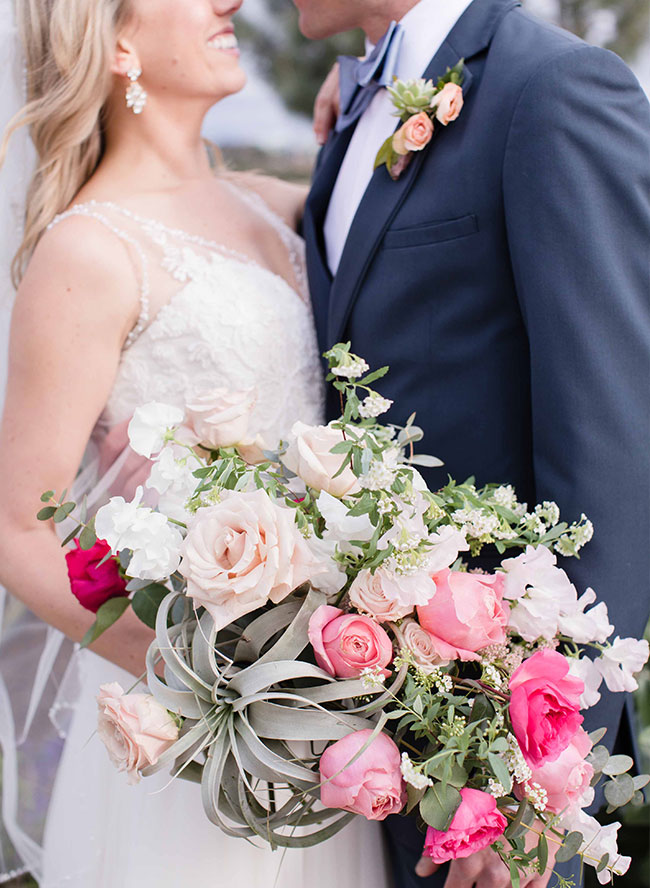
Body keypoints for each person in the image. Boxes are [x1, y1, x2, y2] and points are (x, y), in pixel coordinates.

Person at [0, 0, 389, 885]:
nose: (232, 3)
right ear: (118, 43)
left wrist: (371, 99)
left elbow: (395, 200)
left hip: (327, 718)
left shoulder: (263, 200)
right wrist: (214, 684)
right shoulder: (90, 251)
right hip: (203, 733)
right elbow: (16, 529)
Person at [296, 0, 650, 886]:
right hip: (378, 731)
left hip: (507, 777)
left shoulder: (555, 88)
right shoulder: (355, 109)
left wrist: (540, 785)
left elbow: (615, 440)